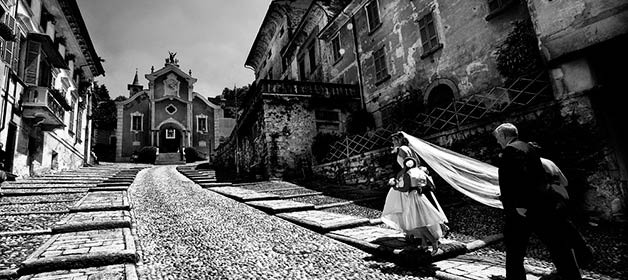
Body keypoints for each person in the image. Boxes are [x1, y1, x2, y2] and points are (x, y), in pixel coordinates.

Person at [493, 123, 582, 280]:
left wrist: (517, 205)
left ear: (505, 136)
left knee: (515, 248)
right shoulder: (528, 147)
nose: (497, 142)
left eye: (498, 138)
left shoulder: (511, 150)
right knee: (557, 244)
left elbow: (514, 181)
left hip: (525, 209)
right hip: (543, 203)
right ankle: (572, 275)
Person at [381, 157, 448, 253]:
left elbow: (405, 188)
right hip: (422, 198)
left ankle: (433, 242)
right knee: (422, 220)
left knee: (416, 223)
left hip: (413, 198)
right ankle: (424, 243)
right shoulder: (422, 172)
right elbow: (432, 186)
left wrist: (395, 187)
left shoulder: (407, 174)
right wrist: (420, 187)